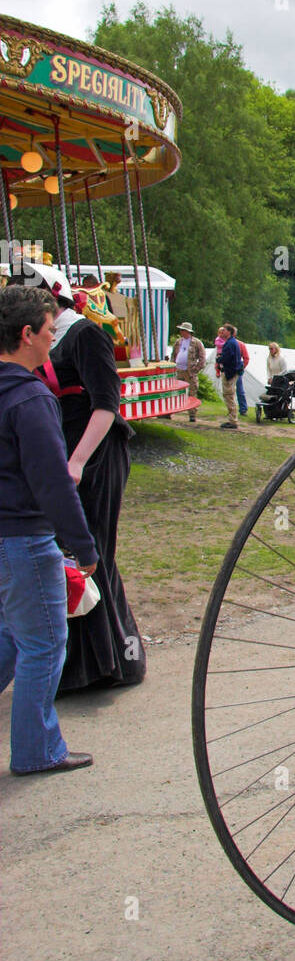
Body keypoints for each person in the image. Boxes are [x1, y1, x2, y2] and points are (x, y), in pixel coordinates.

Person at [24, 263, 145, 692]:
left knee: (92, 552)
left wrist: (76, 463)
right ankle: (80, 664)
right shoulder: (40, 340)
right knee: (69, 555)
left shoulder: (84, 334)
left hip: (98, 455)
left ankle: (110, 664)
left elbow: (106, 405)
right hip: (64, 458)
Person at [0, 287, 98, 772]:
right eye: (47, 330)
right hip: (23, 537)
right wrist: (82, 545)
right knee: (43, 646)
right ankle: (38, 751)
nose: (51, 339)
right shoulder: (30, 398)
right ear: (25, 335)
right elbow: (52, 483)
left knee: (8, 635)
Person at [171, 322, 206, 422]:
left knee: (192, 392)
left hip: (190, 371)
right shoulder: (178, 342)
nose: (181, 332)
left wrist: (196, 369)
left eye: (182, 330)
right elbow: (174, 355)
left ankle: (192, 414)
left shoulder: (197, 343)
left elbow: (202, 357)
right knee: (175, 392)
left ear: (188, 332)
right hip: (179, 370)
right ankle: (170, 412)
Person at [215, 323, 243, 430]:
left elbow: (227, 357)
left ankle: (233, 420)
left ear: (229, 332)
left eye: (224, 330)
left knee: (228, 394)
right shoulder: (232, 342)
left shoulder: (230, 343)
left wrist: (219, 359)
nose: (222, 332)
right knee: (229, 394)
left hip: (230, 372)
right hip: (232, 371)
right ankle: (232, 419)